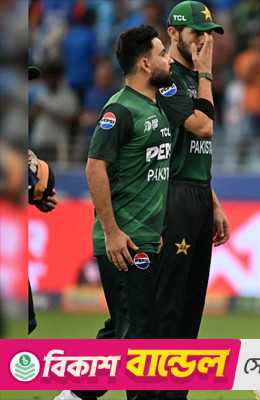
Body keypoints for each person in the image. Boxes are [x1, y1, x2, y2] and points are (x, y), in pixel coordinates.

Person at [55, 25, 178, 400]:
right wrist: (111, 231)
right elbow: (95, 168)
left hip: (144, 238)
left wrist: (153, 228)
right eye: (162, 53)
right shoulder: (120, 110)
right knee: (139, 337)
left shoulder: (152, 106)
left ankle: (74, 395)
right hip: (124, 243)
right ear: (145, 64)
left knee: (124, 328)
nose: (169, 60)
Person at [155, 0, 228, 342]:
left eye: (208, 34)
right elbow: (203, 128)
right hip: (173, 193)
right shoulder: (164, 76)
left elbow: (198, 151)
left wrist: (213, 202)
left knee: (192, 302)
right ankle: (152, 375)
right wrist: (206, 74)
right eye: (196, 33)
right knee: (169, 303)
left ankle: (180, 376)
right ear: (173, 33)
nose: (204, 41)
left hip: (198, 191)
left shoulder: (200, 79)